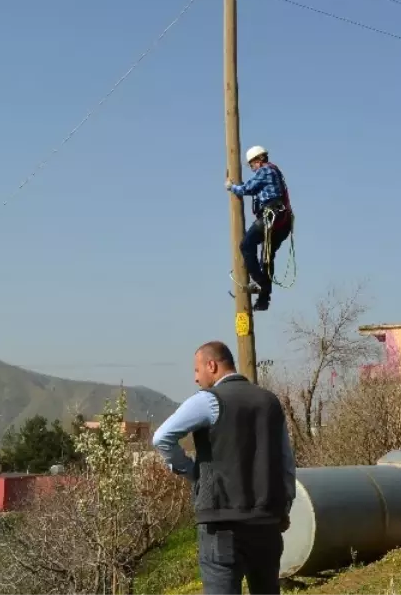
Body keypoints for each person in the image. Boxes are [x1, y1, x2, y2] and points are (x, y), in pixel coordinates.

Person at [152, 341, 296, 595]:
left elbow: (162, 437)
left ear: (212, 365)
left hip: (222, 525)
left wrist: (190, 470)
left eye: (197, 371)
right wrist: (283, 509)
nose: (196, 379)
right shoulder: (270, 402)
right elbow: (286, 463)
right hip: (266, 524)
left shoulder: (209, 401)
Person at [226, 145, 294, 311]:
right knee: (267, 258)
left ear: (258, 160)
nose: (252, 168)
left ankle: (259, 282)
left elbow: (247, 188)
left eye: (251, 164)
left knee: (246, 245)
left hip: (272, 216)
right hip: (282, 222)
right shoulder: (275, 171)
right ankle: (264, 300)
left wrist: (231, 187)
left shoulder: (264, 171)